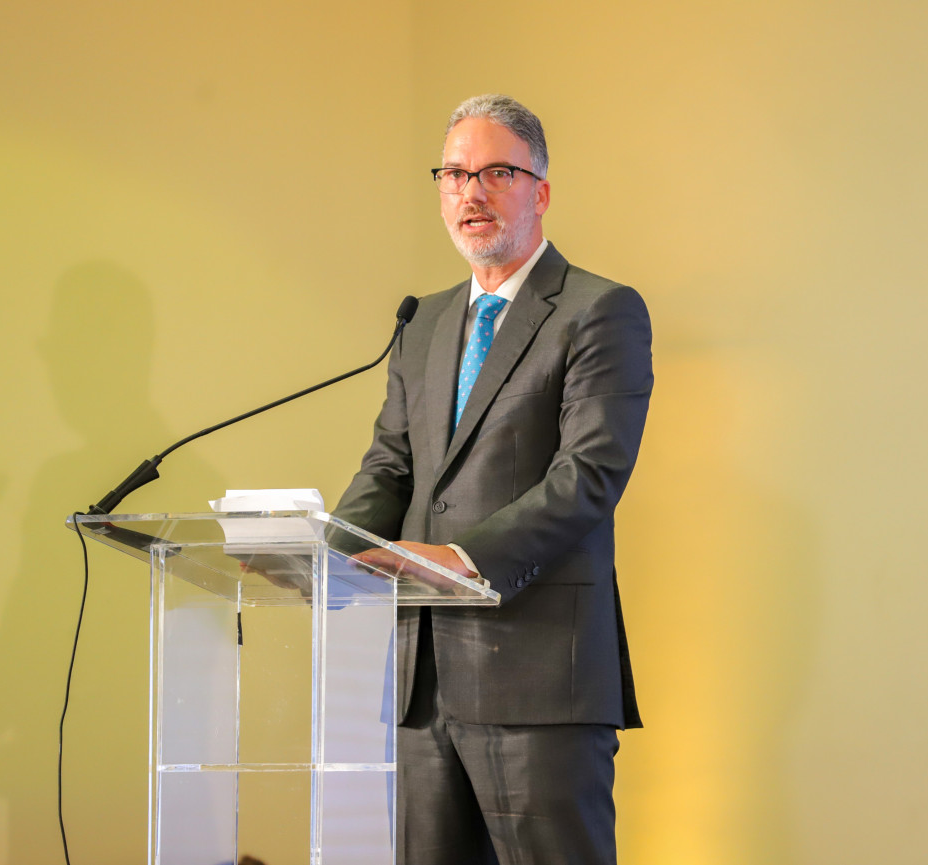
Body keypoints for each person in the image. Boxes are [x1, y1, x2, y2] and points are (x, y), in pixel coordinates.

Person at [332, 93, 653, 865]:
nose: (470, 192)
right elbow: (392, 465)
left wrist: (461, 559)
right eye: (454, 174)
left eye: (496, 173)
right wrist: (324, 553)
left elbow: (589, 474)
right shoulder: (424, 321)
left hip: (539, 680)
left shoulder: (598, 310)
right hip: (422, 684)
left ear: (540, 192)